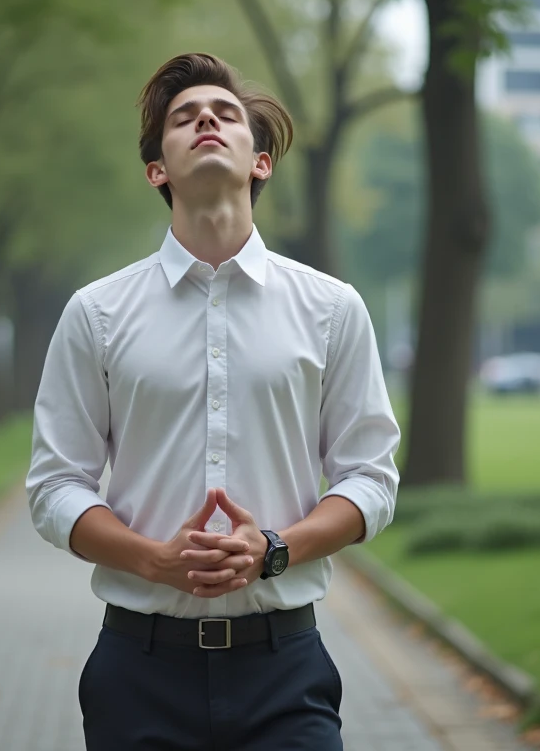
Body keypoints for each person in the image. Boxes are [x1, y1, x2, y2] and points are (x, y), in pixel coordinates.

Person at [26, 52, 401, 750]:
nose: (206, 118)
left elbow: (371, 480)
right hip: (137, 672)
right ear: (156, 171)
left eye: (226, 114)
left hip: (285, 669)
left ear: (259, 162)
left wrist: (278, 549)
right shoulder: (97, 313)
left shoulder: (331, 308)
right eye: (184, 117)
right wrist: (150, 559)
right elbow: (54, 487)